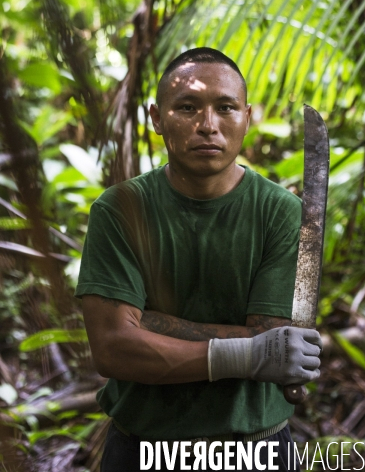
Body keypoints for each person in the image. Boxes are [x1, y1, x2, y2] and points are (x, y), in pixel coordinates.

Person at [75, 47, 322, 472]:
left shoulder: (283, 214)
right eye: (187, 107)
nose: (208, 125)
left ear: (246, 117)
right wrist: (249, 353)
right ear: (156, 118)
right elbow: (114, 348)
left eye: (225, 108)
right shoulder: (120, 209)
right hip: (144, 450)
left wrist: (147, 322)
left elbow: (277, 342)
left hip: (256, 448)